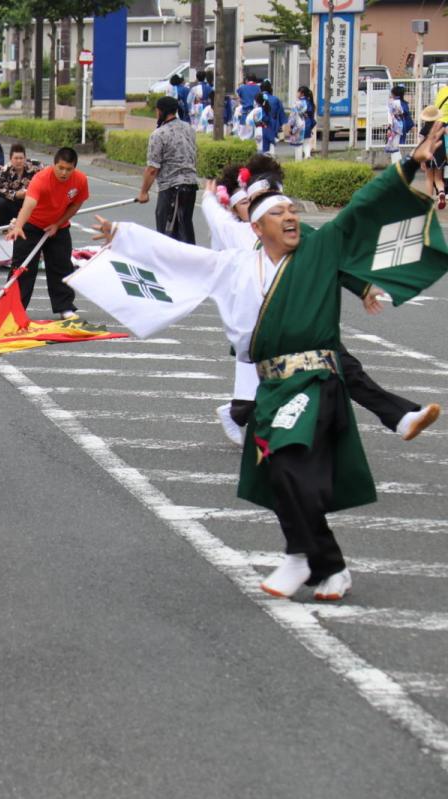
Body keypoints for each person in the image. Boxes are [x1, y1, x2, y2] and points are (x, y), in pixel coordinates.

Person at [89, 123, 448, 601]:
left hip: (317, 380)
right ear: (256, 227)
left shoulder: (319, 250)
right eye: (278, 212)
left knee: (290, 465)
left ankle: (299, 557)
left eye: (293, 209)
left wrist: (410, 162)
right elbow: (180, 256)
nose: (291, 216)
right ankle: (329, 566)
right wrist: (123, 235)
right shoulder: (236, 263)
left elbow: (364, 205)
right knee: (277, 475)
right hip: (270, 386)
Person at [200, 156, 437, 447]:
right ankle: (248, 418)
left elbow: (332, 259)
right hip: (266, 329)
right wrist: (210, 197)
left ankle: (399, 417)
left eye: (284, 206)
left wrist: (363, 288)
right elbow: (214, 217)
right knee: (316, 378)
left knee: (340, 370)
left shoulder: (301, 233)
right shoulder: (239, 232)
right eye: (252, 204)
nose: (281, 214)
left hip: (303, 323)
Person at [4, 146, 87, 317]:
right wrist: (19, 226)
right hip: (32, 225)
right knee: (23, 267)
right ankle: (13, 308)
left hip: (58, 227)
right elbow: (28, 205)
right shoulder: (41, 179)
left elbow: (76, 204)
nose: (64, 173)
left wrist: (58, 224)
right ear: (53, 165)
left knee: (61, 266)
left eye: (68, 169)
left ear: (74, 168)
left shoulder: (80, 180)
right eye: (61, 168)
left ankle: (65, 307)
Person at [137, 95, 198, 243]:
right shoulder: (188, 128)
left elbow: (152, 168)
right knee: (185, 227)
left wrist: (144, 192)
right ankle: (192, 261)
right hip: (191, 185)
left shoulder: (158, 134)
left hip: (172, 188)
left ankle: (173, 263)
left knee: (167, 232)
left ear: (160, 111)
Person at [0, 142, 39, 228]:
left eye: (21, 158)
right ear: (10, 159)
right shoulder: (5, 170)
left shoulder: (36, 166)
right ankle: (2, 227)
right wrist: (16, 194)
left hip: (32, 201)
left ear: (25, 158)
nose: (19, 161)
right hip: (13, 202)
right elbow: (1, 190)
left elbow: (48, 174)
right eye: (16, 158)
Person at [259, 79, 285, 153]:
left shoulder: (258, 98)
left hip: (260, 123)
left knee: (261, 142)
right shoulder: (275, 99)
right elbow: (280, 113)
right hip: (272, 122)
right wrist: (280, 124)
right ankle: (271, 158)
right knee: (271, 141)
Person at [291, 86, 316, 160]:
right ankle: (307, 156)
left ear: (301, 93)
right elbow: (311, 115)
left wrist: (290, 125)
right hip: (307, 124)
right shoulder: (309, 102)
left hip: (298, 124)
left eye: (298, 92)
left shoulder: (297, 103)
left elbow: (293, 115)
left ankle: (298, 160)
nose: (296, 93)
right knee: (307, 142)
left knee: (298, 144)